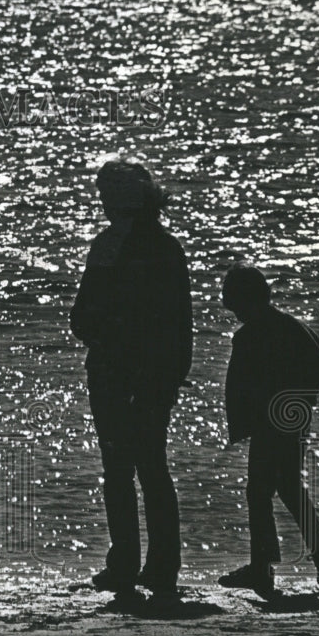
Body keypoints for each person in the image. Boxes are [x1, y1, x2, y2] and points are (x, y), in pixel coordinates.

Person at [70, 160, 193, 604]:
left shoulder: (110, 248)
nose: (101, 203)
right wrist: (176, 371)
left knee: (121, 469)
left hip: (116, 370)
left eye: (106, 194)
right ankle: (160, 567)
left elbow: (83, 317)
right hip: (152, 372)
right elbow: (182, 323)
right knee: (150, 468)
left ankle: (127, 563)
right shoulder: (167, 248)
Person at [219, 263, 319, 597]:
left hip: (272, 425)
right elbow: (318, 368)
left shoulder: (254, 335)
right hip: (289, 421)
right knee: (287, 487)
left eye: (236, 305)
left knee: (259, 492)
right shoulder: (290, 326)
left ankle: (263, 567)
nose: (236, 314)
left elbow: (242, 389)